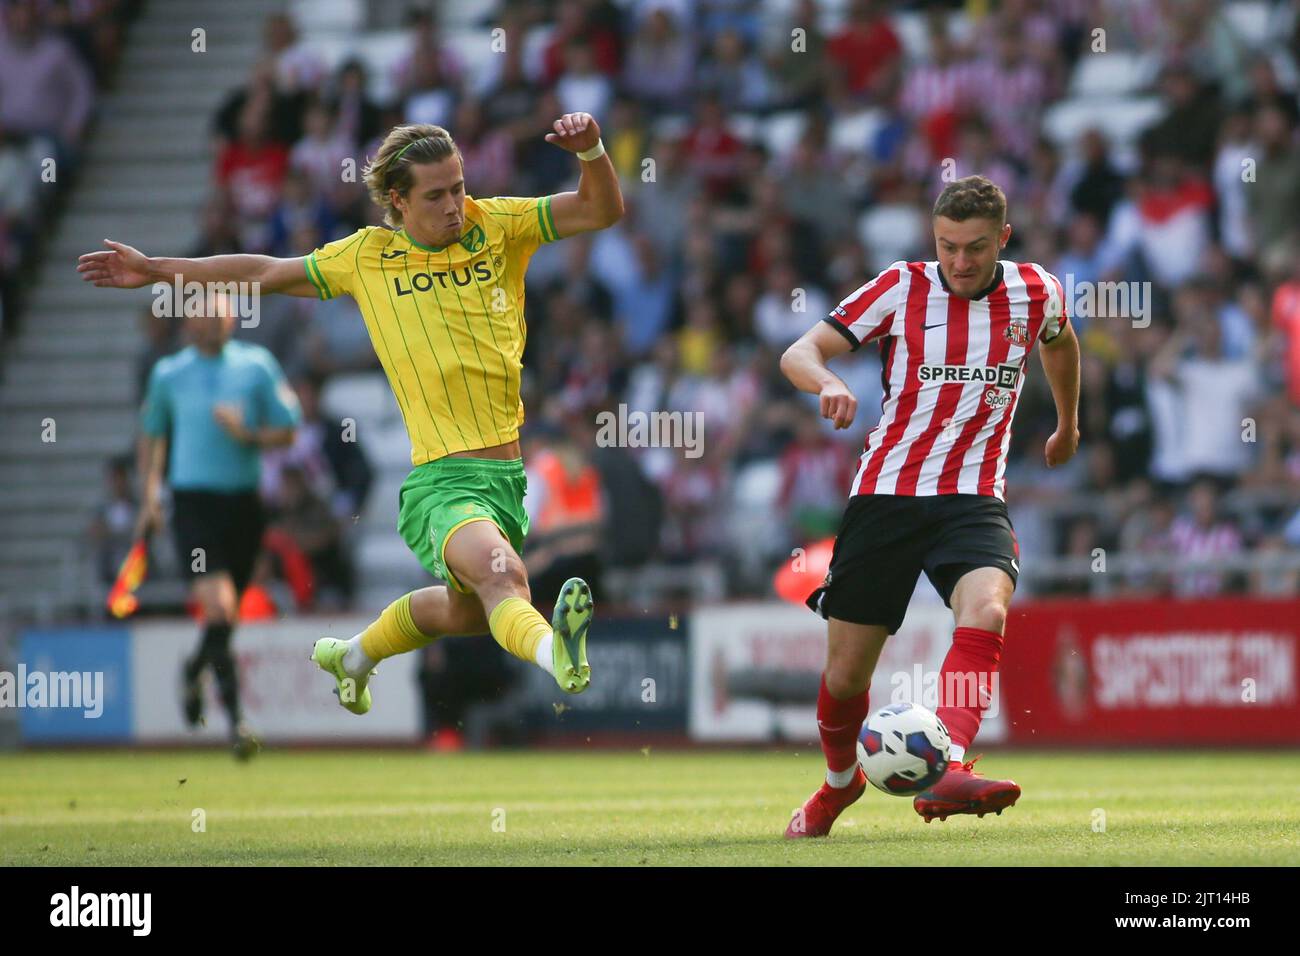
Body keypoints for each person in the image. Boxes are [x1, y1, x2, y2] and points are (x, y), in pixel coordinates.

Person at [79, 113, 624, 716]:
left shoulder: (500, 224)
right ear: (398, 199)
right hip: (442, 484)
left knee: (468, 613)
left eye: (460, 187)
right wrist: (159, 270)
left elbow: (600, 210)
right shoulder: (366, 258)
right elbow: (262, 272)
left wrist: (593, 150)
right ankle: (558, 653)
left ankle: (355, 656)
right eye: (436, 195)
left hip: (507, 480)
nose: (455, 205)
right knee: (507, 580)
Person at [779, 175, 1080, 836]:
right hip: (887, 494)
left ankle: (948, 767)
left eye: (975, 247)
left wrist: (1067, 423)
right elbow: (799, 351)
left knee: (988, 607)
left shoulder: (1038, 290)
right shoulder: (900, 287)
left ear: (1003, 238)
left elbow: (1060, 342)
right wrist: (826, 380)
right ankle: (836, 788)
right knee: (847, 672)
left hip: (973, 497)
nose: (961, 262)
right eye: (948, 246)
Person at [134, 292, 300, 759]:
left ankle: (194, 670)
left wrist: (248, 435)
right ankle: (237, 723)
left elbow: (288, 431)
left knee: (228, 616)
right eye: (200, 315)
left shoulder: (256, 365)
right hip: (193, 505)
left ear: (232, 319)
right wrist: (149, 496)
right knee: (222, 609)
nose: (208, 323)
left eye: (218, 315)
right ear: (187, 321)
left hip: (244, 507)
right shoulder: (169, 374)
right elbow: (152, 436)